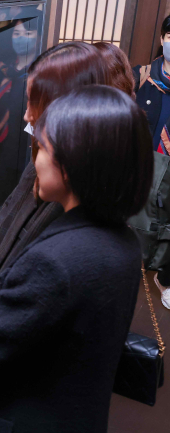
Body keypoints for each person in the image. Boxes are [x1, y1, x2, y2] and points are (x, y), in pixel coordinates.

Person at [0, 85, 153, 433]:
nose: (35, 157)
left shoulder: (56, 261)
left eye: (44, 147)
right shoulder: (121, 238)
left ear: (75, 165)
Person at [0, 41, 110, 312]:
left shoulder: (67, 192)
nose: (27, 114)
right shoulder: (41, 166)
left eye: (36, 103)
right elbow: (0, 237)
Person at [0, 18, 40, 205]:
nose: (21, 39)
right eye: (17, 34)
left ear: (39, 37)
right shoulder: (1, 69)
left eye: (28, 33)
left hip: (24, 152)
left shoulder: (41, 72)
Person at [131, 14, 170, 308]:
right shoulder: (140, 77)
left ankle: (165, 275)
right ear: (162, 40)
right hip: (146, 164)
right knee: (141, 217)